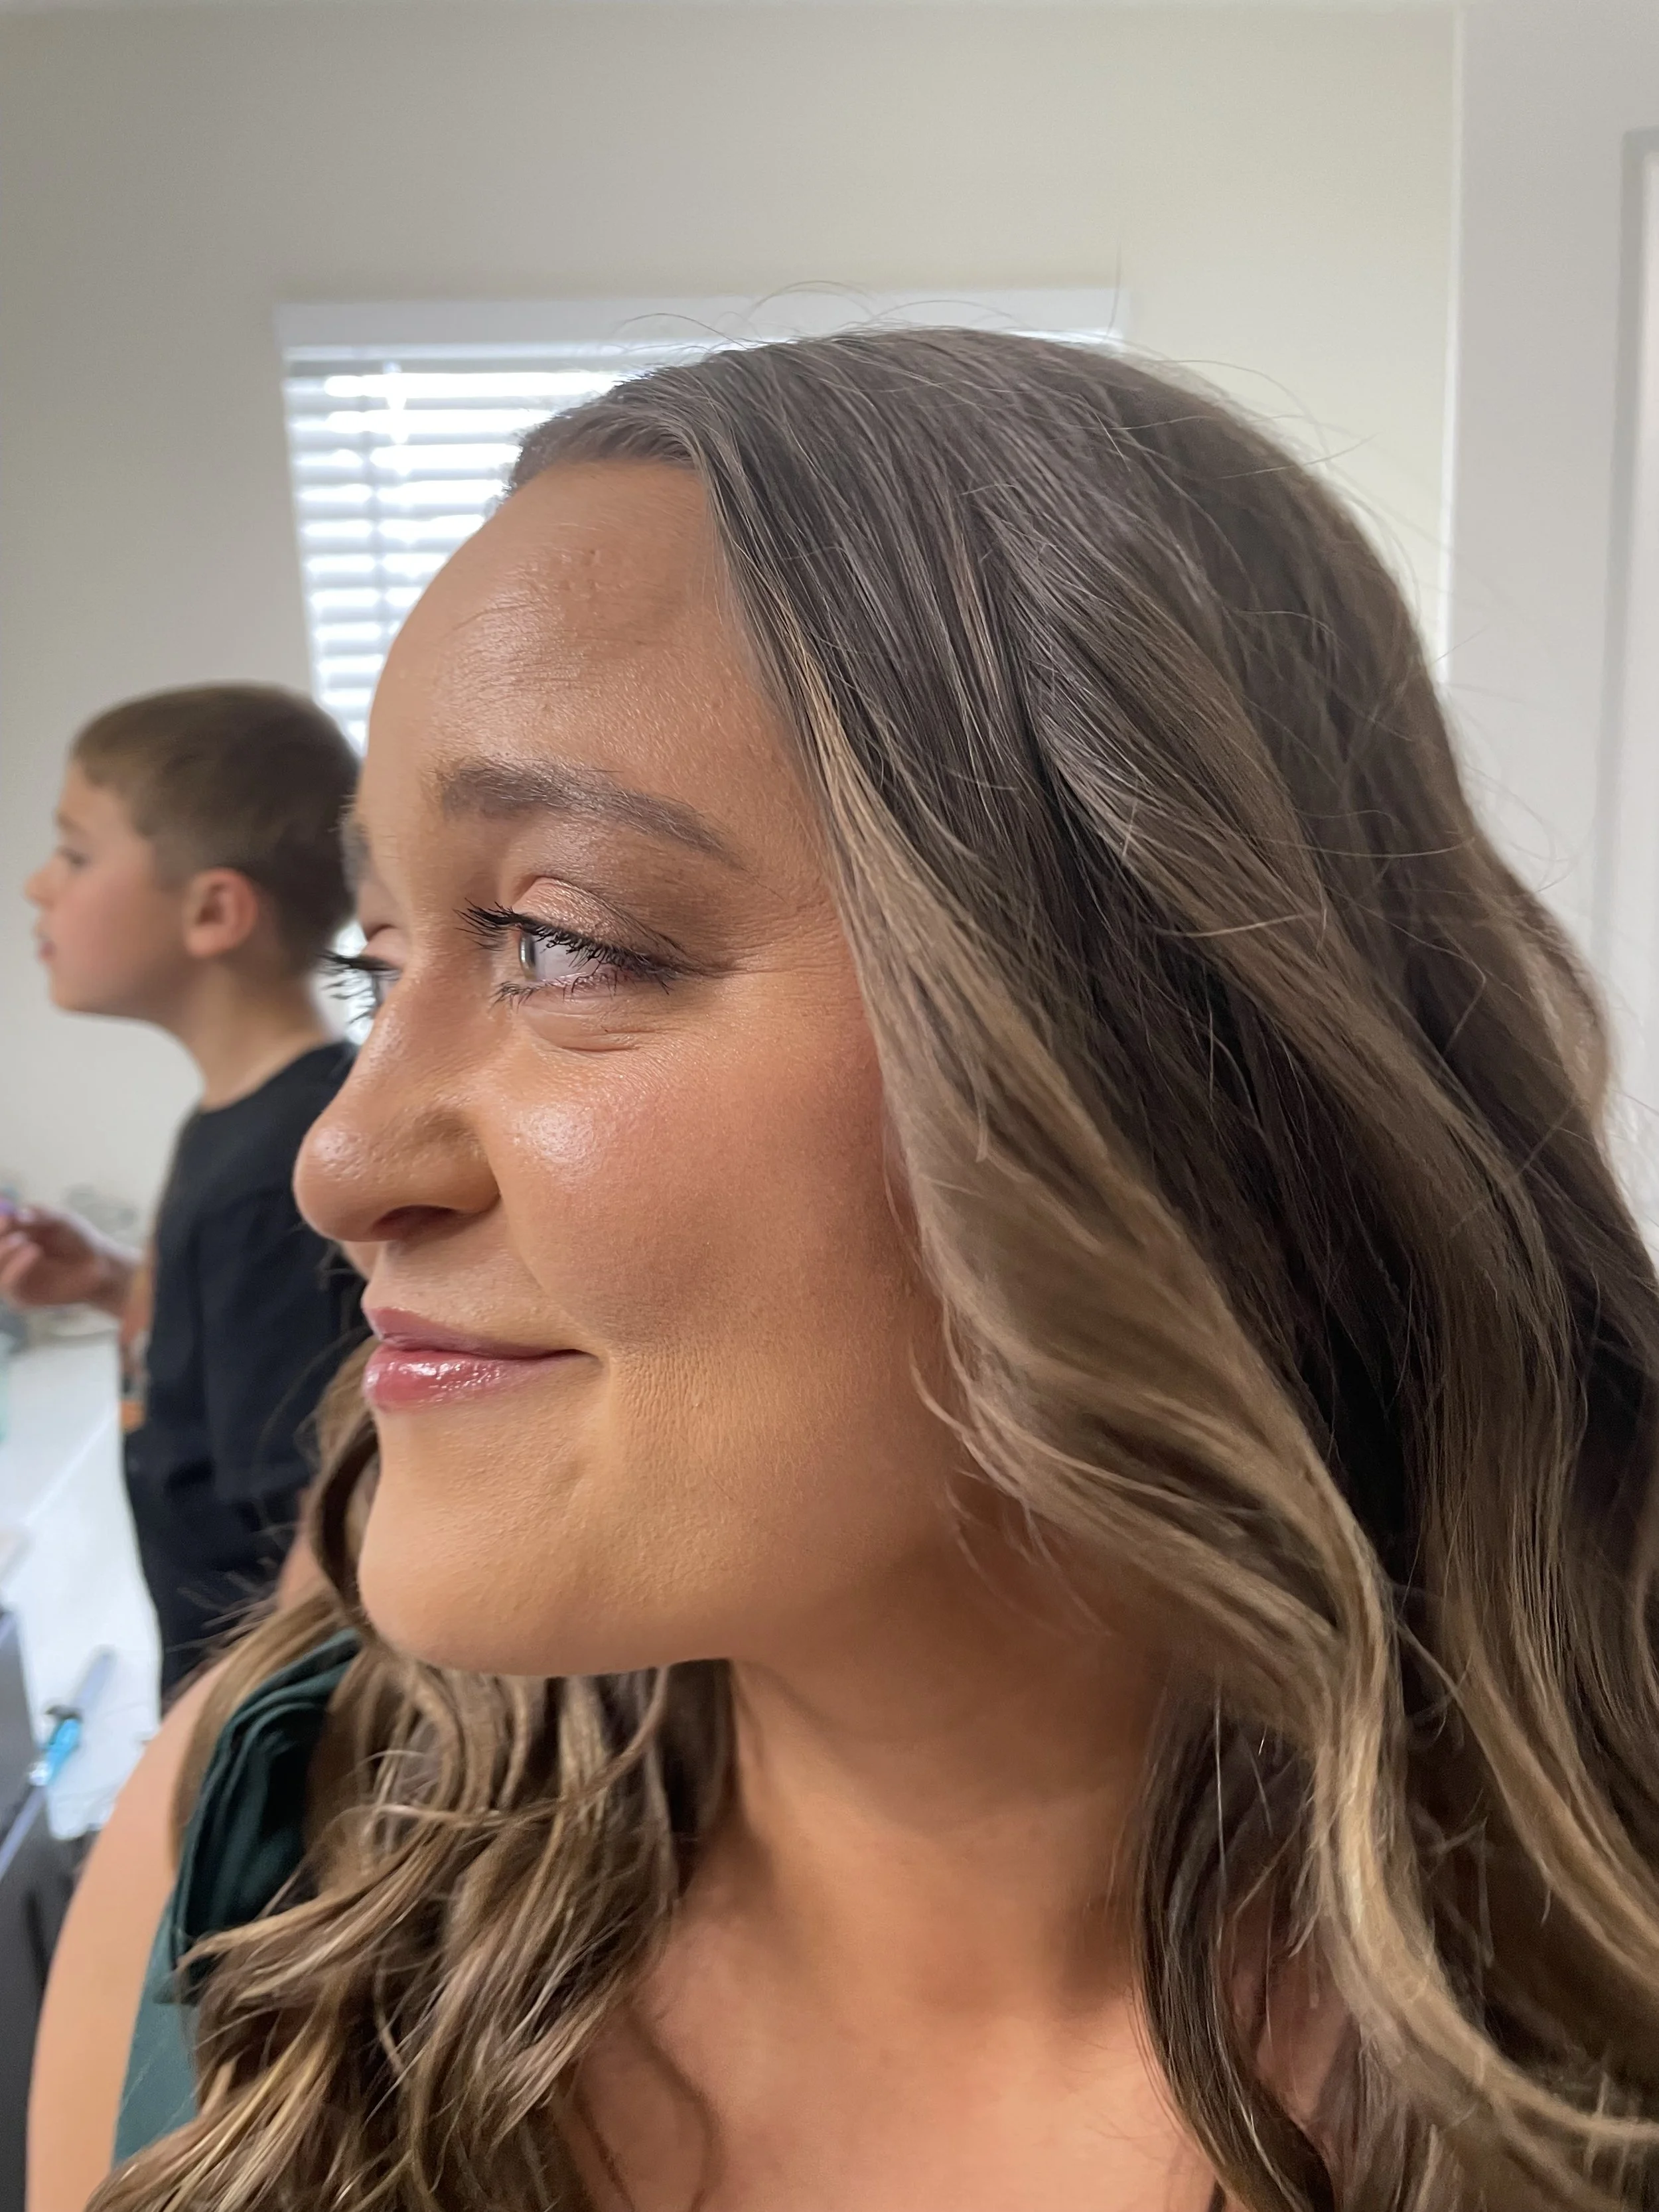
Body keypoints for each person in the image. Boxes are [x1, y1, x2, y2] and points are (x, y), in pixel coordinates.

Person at [29, 333, 1659, 2212]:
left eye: (555, 939)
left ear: (1180, 1059)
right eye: (382, 963)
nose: (340, 1164)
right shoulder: (243, 1877)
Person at [3, 686, 364, 1696]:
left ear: (214, 910)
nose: (39, 885)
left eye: (74, 855)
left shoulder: (273, 1175)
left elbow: (317, 1543)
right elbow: (247, 1368)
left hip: (258, 1719)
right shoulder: (246, 1121)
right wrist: (115, 1287)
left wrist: (204, 1777)